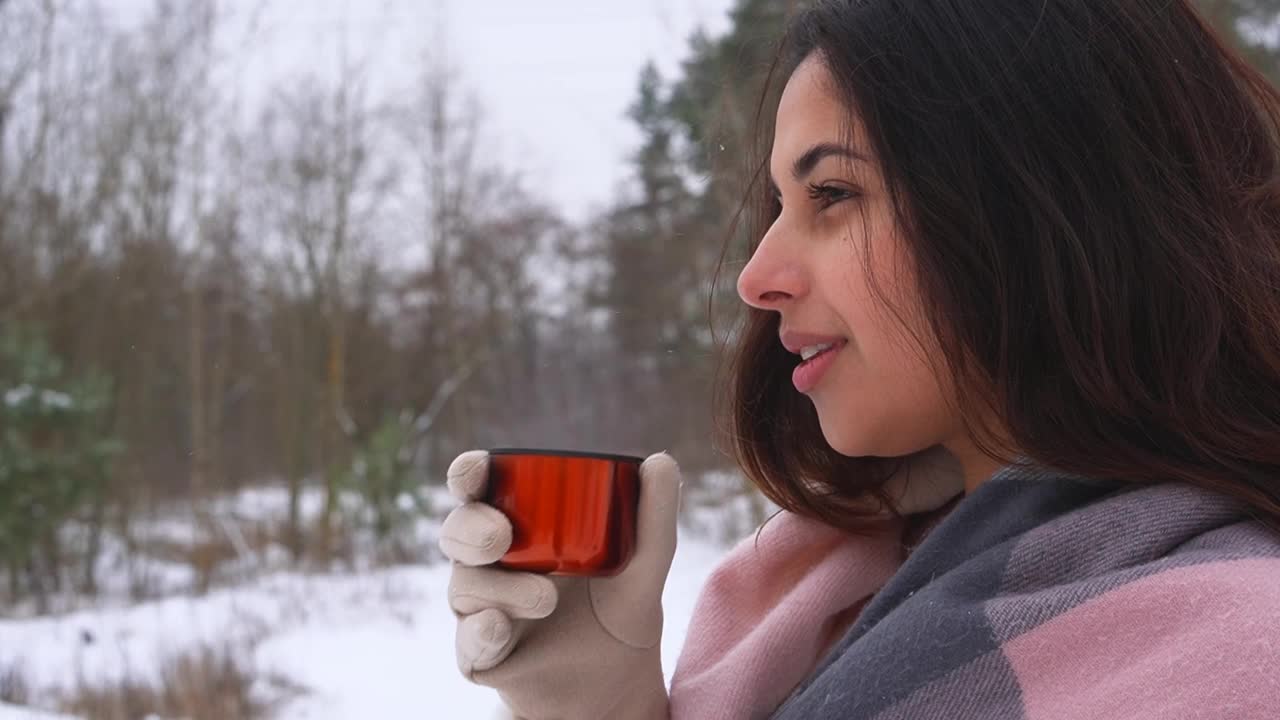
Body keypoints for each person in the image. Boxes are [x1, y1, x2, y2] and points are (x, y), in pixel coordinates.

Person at [440, 0, 1280, 717]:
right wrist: (600, 705)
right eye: (777, 204)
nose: (756, 277)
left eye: (832, 194)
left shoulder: (1243, 657)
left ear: (1046, 203)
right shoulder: (805, 613)